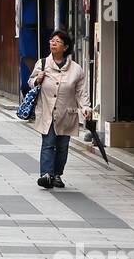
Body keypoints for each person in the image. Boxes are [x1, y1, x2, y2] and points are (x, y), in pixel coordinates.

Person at [28, 29, 91, 189]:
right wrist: (37, 79)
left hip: (66, 113)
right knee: (48, 143)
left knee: (62, 147)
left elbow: (81, 92)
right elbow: (30, 81)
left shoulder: (76, 69)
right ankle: (46, 175)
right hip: (47, 112)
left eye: (57, 41)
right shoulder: (42, 63)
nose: (53, 43)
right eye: (52, 40)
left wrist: (85, 107)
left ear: (65, 47)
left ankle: (57, 174)